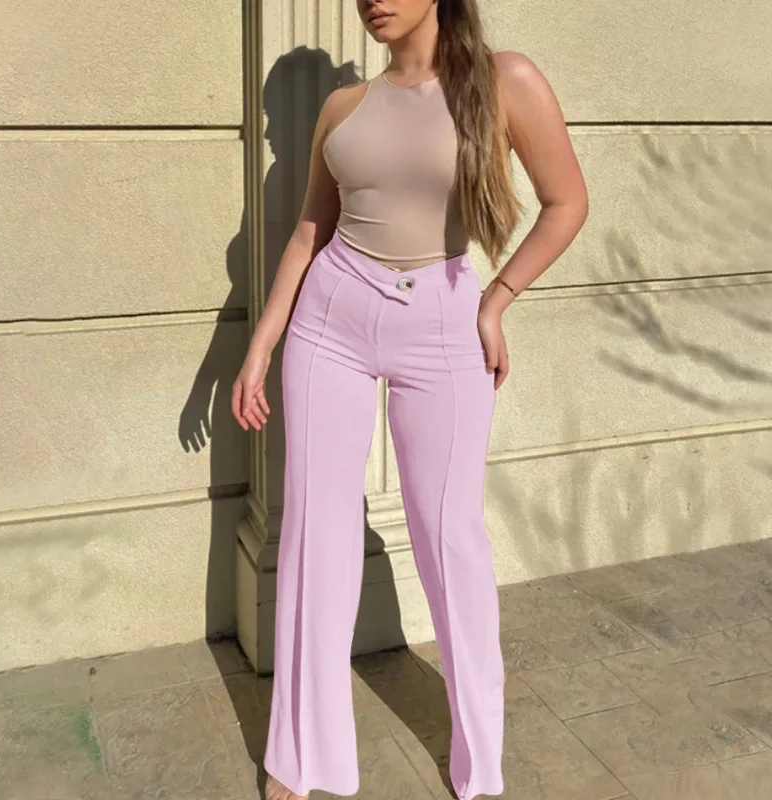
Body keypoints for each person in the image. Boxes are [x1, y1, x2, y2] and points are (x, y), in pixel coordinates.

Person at [231, 0, 588, 797]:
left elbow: (568, 202)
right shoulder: (343, 107)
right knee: (315, 535)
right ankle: (301, 757)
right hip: (330, 318)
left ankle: (479, 765)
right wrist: (262, 343)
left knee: (451, 539)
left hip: (442, 318)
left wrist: (496, 301)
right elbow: (310, 229)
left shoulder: (504, 81)